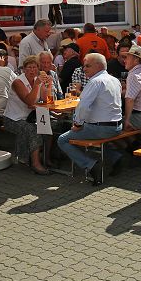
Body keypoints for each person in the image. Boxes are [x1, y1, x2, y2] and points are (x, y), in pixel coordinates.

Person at [57, 53, 123, 185]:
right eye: (83, 66)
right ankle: (116, 157)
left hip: (101, 128)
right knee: (92, 134)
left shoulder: (95, 81)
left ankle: (91, 165)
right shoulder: (114, 80)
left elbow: (82, 106)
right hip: (117, 127)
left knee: (62, 140)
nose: (84, 69)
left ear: (98, 66)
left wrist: (77, 124)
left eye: (87, 66)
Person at [3, 54, 52, 175]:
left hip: (29, 117)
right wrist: (36, 86)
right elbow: (29, 102)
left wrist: (48, 85)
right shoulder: (18, 82)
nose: (32, 70)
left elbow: (47, 101)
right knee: (33, 130)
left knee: (50, 127)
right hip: (13, 119)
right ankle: (36, 164)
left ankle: (46, 159)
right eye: (29, 67)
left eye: (35, 67)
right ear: (23, 69)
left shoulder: (37, 80)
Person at [0, 49, 17, 117]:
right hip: (4, 112)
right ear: (1, 59)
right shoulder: (7, 70)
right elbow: (19, 83)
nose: (7, 61)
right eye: (5, 59)